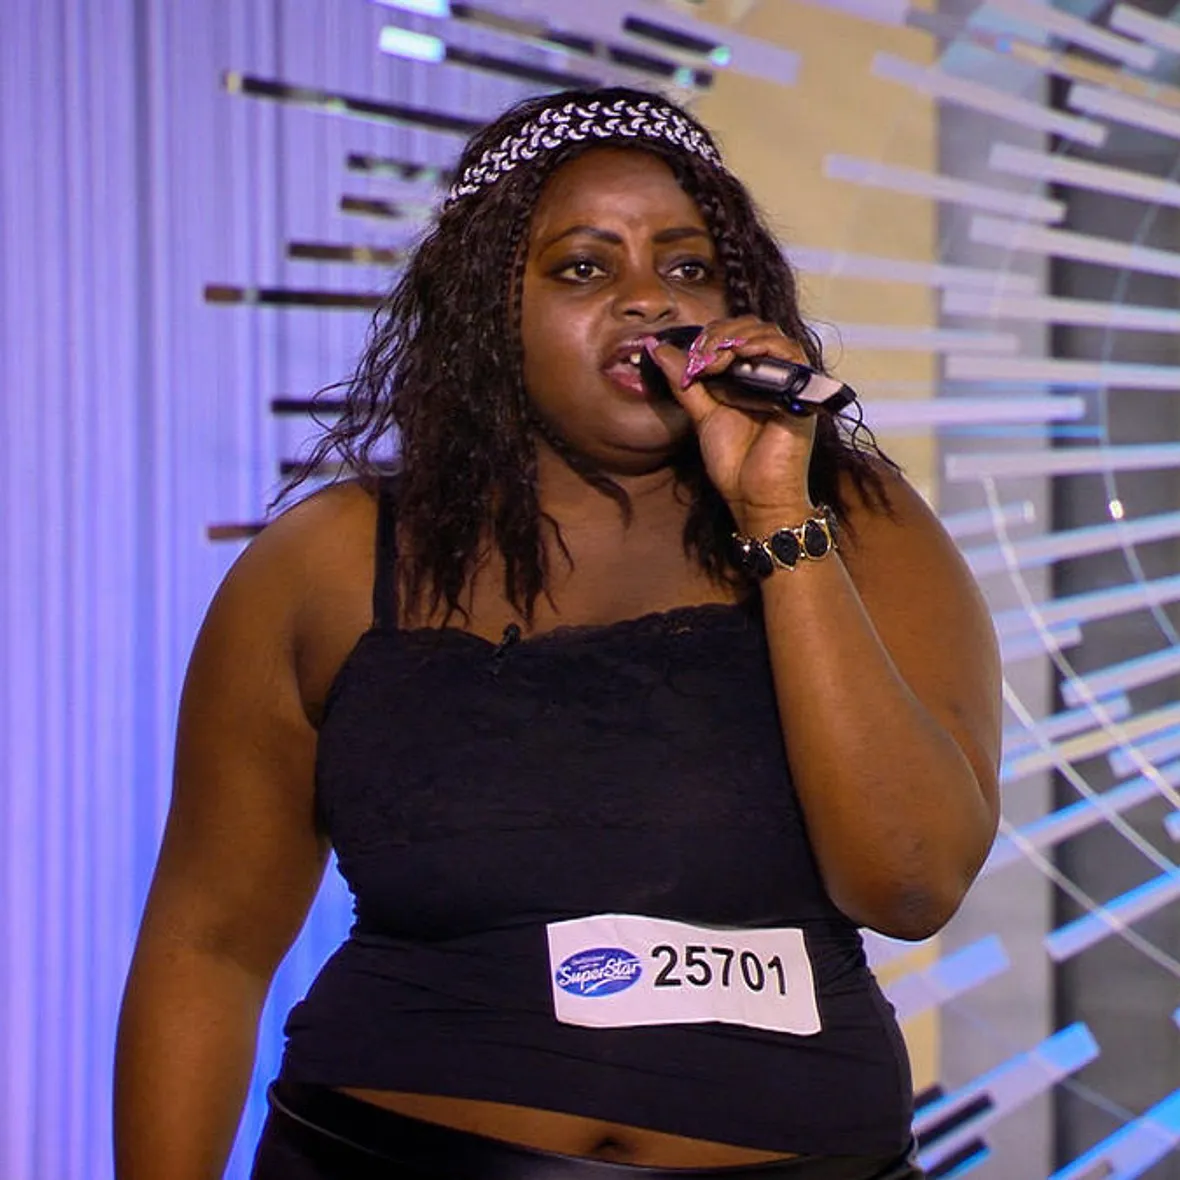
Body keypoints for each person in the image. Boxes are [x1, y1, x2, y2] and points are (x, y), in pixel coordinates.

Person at [113, 87, 1001, 1179]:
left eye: (688, 267)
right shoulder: (329, 562)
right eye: (584, 268)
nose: (649, 300)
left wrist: (777, 516)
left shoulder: (853, 522)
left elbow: (911, 885)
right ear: (490, 311)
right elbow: (209, 945)